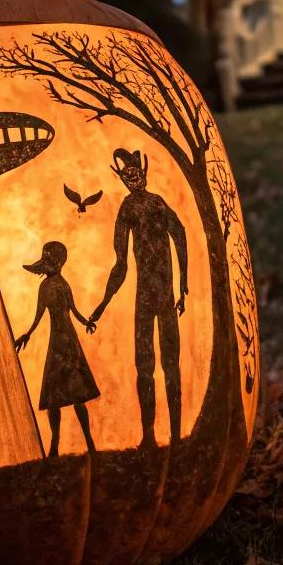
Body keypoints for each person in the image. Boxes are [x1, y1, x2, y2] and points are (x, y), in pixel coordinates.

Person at [89, 148, 188, 449]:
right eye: (127, 174)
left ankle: (174, 435)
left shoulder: (156, 203)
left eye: (136, 172)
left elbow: (180, 233)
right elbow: (121, 263)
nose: (133, 177)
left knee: (169, 364)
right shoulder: (129, 209)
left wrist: (184, 284)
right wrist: (104, 303)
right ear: (122, 178)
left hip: (162, 294)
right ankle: (151, 435)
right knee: (147, 366)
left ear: (143, 171)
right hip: (147, 295)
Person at [15, 240, 98, 458]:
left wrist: (86, 322)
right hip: (59, 341)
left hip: (68, 341)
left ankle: (89, 442)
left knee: (76, 395)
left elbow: (74, 310)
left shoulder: (62, 284)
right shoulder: (47, 287)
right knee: (55, 397)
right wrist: (28, 333)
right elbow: (39, 315)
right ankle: (55, 441)